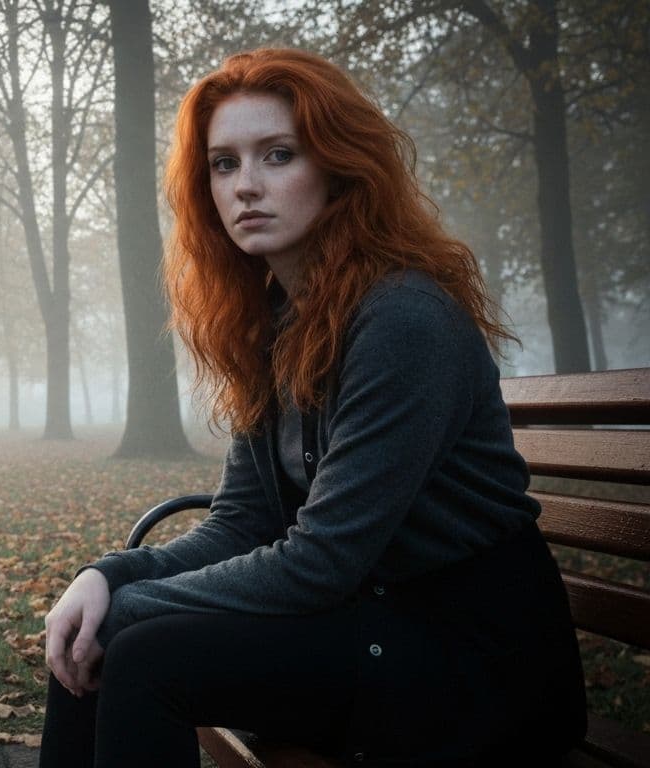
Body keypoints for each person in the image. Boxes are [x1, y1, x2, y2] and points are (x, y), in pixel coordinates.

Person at [40, 48, 585, 767]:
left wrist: (130, 607)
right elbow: (241, 522)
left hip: (479, 666)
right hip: (375, 623)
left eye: (278, 155)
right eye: (224, 164)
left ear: (336, 167)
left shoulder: (403, 319)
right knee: (112, 634)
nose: (246, 187)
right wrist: (106, 577)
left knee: (139, 652)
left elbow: (320, 562)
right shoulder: (275, 323)